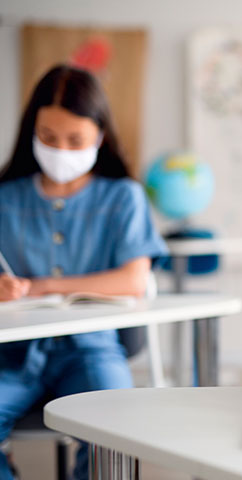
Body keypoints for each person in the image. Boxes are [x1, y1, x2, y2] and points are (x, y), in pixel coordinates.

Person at [0, 65, 166, 480]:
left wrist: (40, 286)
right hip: (12, 354)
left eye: (75, 140)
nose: (60, 150)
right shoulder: (6, 198)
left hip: (92, 348)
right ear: (30, 133)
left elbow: (132, 280)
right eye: (48, 138)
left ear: (100, 136)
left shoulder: (123, 197)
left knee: (113, 427)